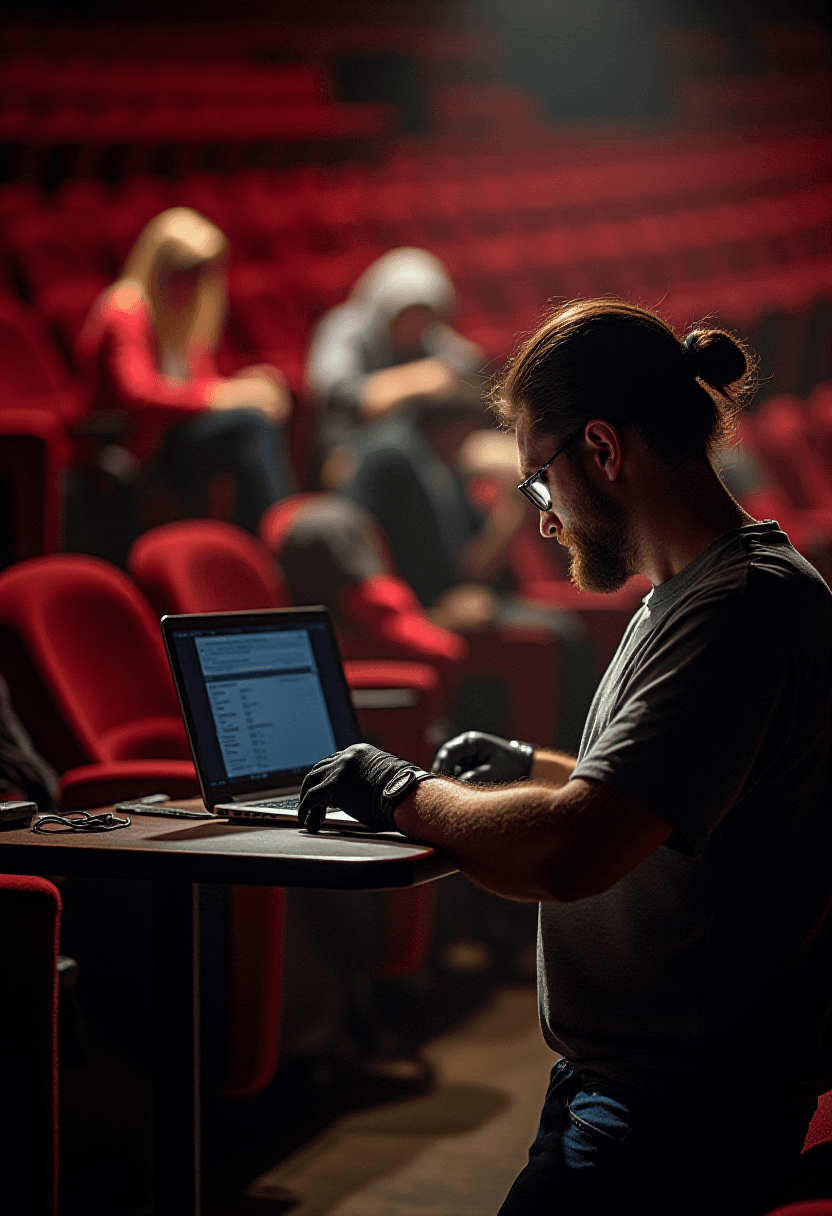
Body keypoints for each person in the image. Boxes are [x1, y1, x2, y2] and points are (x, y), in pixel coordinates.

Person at [295, 298, 832, 1215]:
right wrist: (528, 769)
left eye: (538, 484)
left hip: (679, 1118)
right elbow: (652, 799)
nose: (542, 521)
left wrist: (398, 790)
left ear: (603, 450)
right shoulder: (691, 593)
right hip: (650, 1094)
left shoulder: (738, 610)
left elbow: (573, 849)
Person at [76, 207, 294, 540]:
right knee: (250, 423)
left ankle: (259, 540)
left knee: (254, 411)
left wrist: (243, 387)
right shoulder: (126, 309)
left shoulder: (185, 315)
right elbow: (139, 394)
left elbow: (198, 385)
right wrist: (226, 395)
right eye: (183, 272)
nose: (192, 285)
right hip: (134, 450)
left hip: (172, 441)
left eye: (201, 274)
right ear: (157, 266)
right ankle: (280, 536)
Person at [305, 246, 484, 483]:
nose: (418, 324)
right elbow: (337, 394)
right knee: (398, 445)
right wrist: (419, 380)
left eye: (426, 316)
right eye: (410, 314)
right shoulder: (346, 327)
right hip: (348, 453)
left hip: (418, 449)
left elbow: (469, 363)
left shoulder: (427, 336)